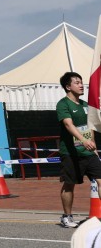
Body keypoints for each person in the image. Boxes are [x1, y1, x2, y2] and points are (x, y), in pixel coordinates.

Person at [58, 71, 101, 228]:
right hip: (71, 153)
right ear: (68, 87)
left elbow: (90, 128)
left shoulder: (85, 105)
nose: (81, 85)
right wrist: (83, 141)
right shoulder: (63, 104)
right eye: (77, 82)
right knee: (69, 185)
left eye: (81, 82)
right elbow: (68, 125)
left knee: (100, 180)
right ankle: (67, 217)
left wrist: (92, 144)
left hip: (89, 153)